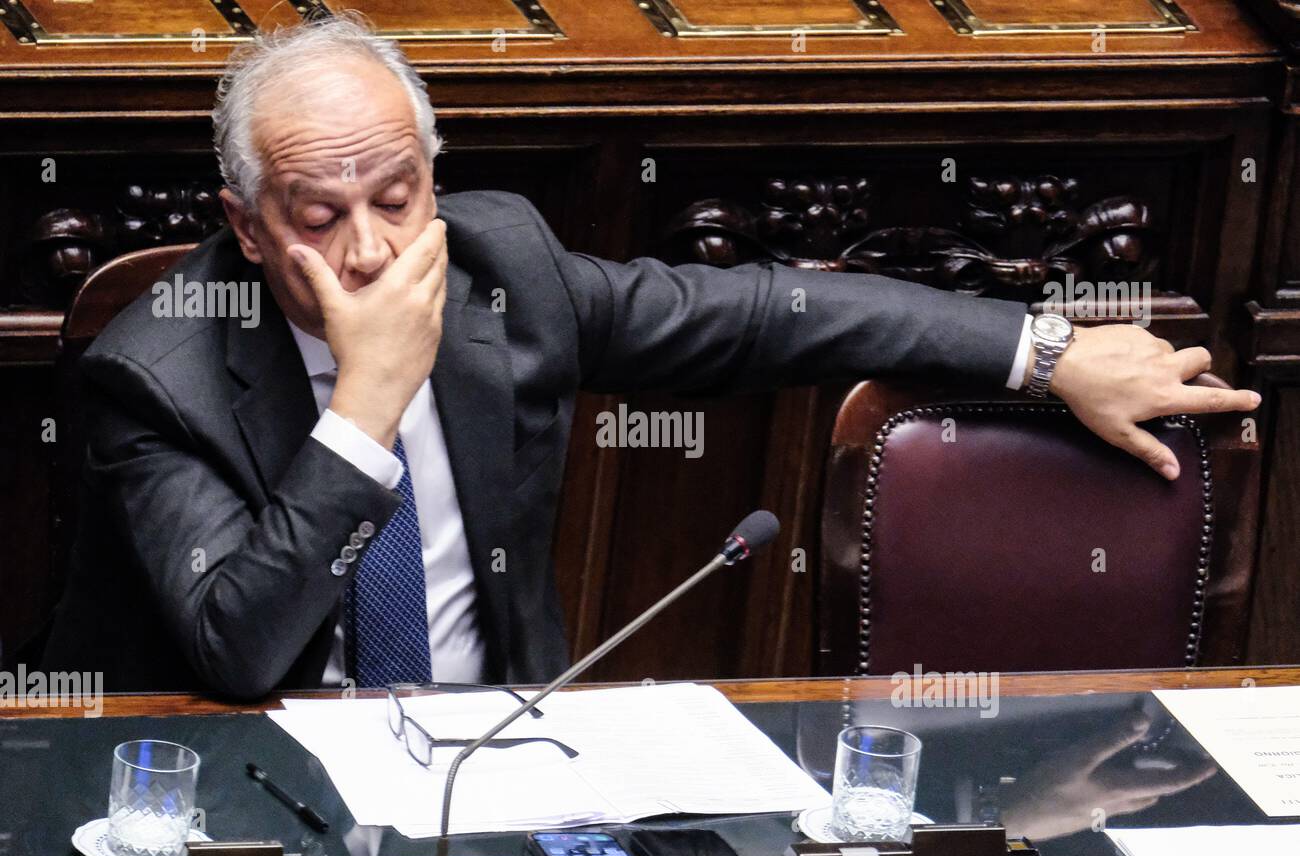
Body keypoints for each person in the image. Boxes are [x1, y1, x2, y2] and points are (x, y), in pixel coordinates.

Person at [42, 14, 1261, 698]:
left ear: (437, 181)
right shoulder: (158, 372)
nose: (369, 252)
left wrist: (1043, 350)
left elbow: (769, 313)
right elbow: (236, 647)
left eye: (400, 199)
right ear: (247, 227)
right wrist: (362, 409)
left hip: (498, 765)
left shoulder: (499, 269)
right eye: (317, 218)